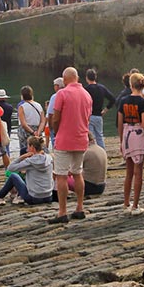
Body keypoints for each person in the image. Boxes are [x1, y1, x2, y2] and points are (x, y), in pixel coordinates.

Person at [48, 67, 93, 224]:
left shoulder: (62, 93)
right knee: (77, 173)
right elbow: (87, 117)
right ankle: (79, 208)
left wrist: (57, 131)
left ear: (65, 79)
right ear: (78, 78)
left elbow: (56, 118)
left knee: (61, 175)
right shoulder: (87, 95)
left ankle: (62, 211)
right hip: (81, 139)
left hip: (64, 139)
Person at [117, 72, 144, 214]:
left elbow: (119, 122)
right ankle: (135, 205)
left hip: (126, 134)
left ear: (131, 85)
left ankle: (126, 203)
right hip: (138, 134)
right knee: (138, 172)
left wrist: (121, 140)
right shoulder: (143, 103)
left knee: (128, 172)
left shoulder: (123, 101)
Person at [0, 135, 54, 205]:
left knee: (13, 176)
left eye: (28, 146)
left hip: (34, 198)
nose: (27, 148)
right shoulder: (49, 158)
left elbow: (10, 168)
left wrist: (22, 157)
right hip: (48, 196)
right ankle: (18, 196)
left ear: (32, 147)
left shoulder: (30, 161)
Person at [83, 68, 116, 150]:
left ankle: (92, 153)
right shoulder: (102, 88)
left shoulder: (85, 90)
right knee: (100, 136)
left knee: (90, 137)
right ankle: (103, 154)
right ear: (95, 77)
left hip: (89, 116)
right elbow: (112, 99)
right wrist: (105, 109)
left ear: (87, 78)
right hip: (99, 115)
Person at [16, 86, 46, 156]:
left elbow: (23, 123)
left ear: (22, 96)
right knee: (38, 150)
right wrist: (38, 131)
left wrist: (32, 132)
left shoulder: (22, 107)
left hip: (26, 132)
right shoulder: (39, 105)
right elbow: (42, 121)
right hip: (37, 130)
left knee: (26, 151)